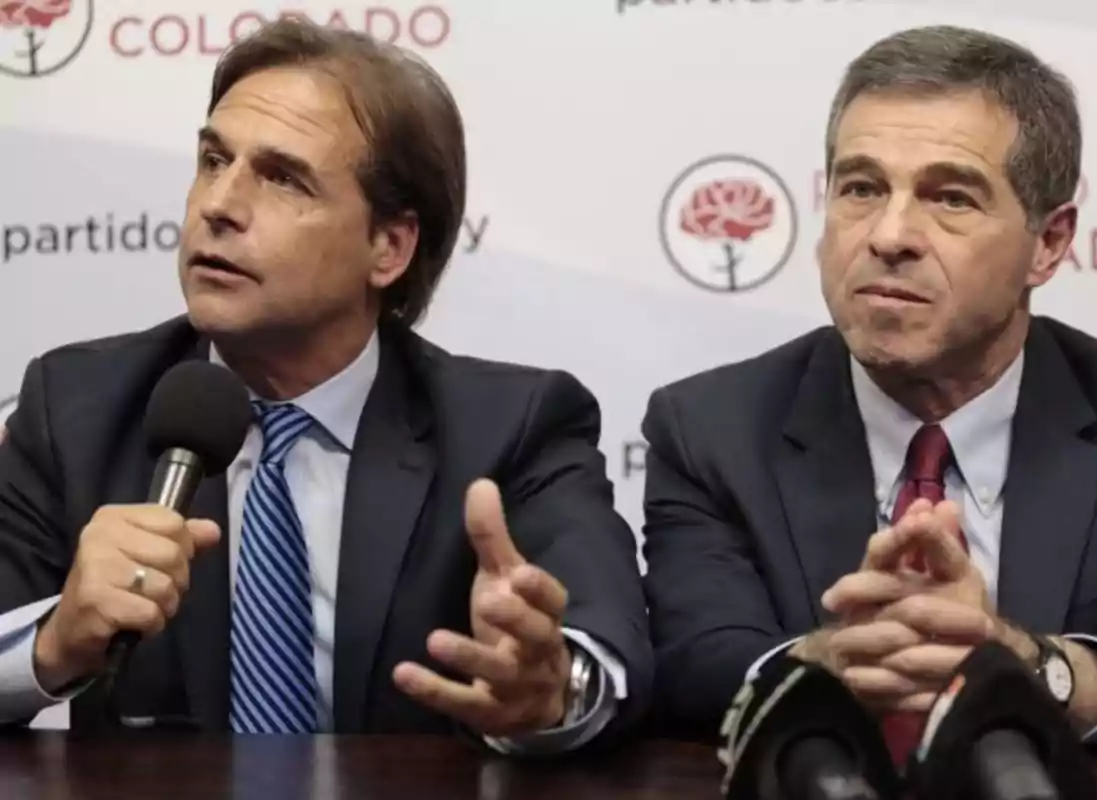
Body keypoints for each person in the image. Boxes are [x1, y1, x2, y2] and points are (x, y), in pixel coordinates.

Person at [0, 18, 652, 751]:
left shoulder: (514, 427)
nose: (219, 204)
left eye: (281, 178)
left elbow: (608, 648)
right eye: (214, 160)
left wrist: (552, 689)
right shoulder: (77, 407)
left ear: (389, 246)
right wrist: (52, 645)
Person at [641, 24, 1097, 764]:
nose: (890, 234)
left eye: (952, 198)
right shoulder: (709, 429)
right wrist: (829, 670)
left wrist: (1035, 667)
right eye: (862, 187)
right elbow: (696, 662)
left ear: (1050, 243)